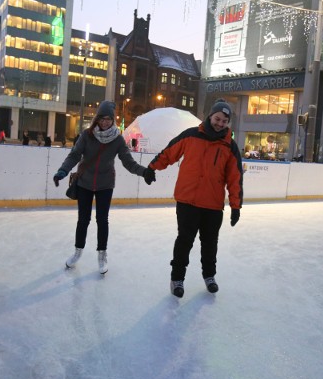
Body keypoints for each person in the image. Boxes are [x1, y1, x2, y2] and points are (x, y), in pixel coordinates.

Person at [146, 99, 243, 297]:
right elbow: (169, 153)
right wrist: (152, 168)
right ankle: (177, 278)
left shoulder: (229, 146)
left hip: (213, 205)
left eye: (225, 121)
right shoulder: (191, 135)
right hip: (187, 201)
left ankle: (209, 276)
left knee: (210, 243)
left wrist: (235, 206)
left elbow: (235, 178)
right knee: (184, 241)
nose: (220, 123)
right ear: (210, 116)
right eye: (218, 118)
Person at [53, 100, 156, 274]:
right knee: (83, 220)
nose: (105, 122)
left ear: (113, 120)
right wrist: (62, 171)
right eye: (102, 118)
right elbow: (74, 155)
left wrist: (144, 172)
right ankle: (77, 253)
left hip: (105, 185)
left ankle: (102, 256)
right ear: (97, 118)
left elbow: (128, 162)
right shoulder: (87, 135)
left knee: (102, 221)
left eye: (108, 119)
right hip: (85, 183)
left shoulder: (117, 140)